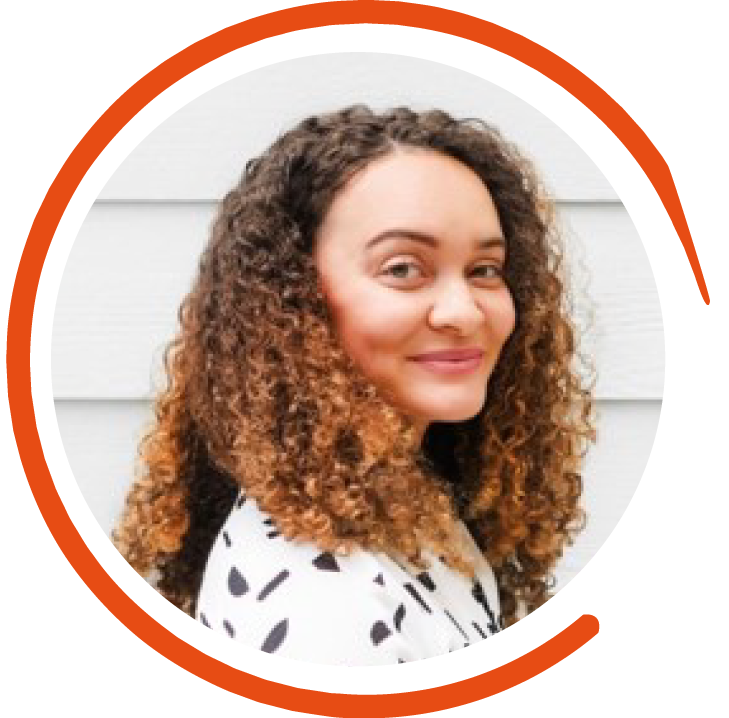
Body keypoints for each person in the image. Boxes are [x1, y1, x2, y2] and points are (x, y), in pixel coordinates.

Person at [112, 104, 596, 665]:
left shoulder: (396, 501)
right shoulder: (326, 604)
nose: (464, 311)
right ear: (294, 300)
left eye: (485, 269)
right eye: (402, 269)